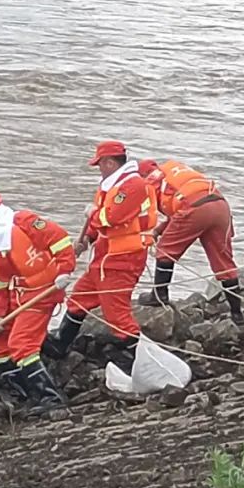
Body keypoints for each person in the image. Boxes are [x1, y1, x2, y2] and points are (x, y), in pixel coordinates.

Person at [46, 141, 156, 371]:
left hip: (123, 258)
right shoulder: (112, 185)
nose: (99, 169)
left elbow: (110, 217)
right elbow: (101, 222)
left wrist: (93, 214)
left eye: (100, 164)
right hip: (106, 257)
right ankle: (60, 344)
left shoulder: (132, 186)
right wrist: (87, 238)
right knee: (79, 299)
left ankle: (138, 359)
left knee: (116, 313)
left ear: (109, 162)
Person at [0, 190, 76, 406]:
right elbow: (0, 281)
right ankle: (26, 394)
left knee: (22, 345)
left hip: (43, 293)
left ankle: (50, 398)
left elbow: (60, 240)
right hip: (18, 297)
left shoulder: (25, 222)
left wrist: (65, 270)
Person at [136, 158, 244, 325]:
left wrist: (151, 233)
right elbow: (179, 209)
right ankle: (237, 314)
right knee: (224, 264)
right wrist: (159, 230)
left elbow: (180, 210)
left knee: (165, 251)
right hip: (220, 205)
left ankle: (159, 295)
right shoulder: (175, 171)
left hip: (193, 208)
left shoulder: (151, 182)